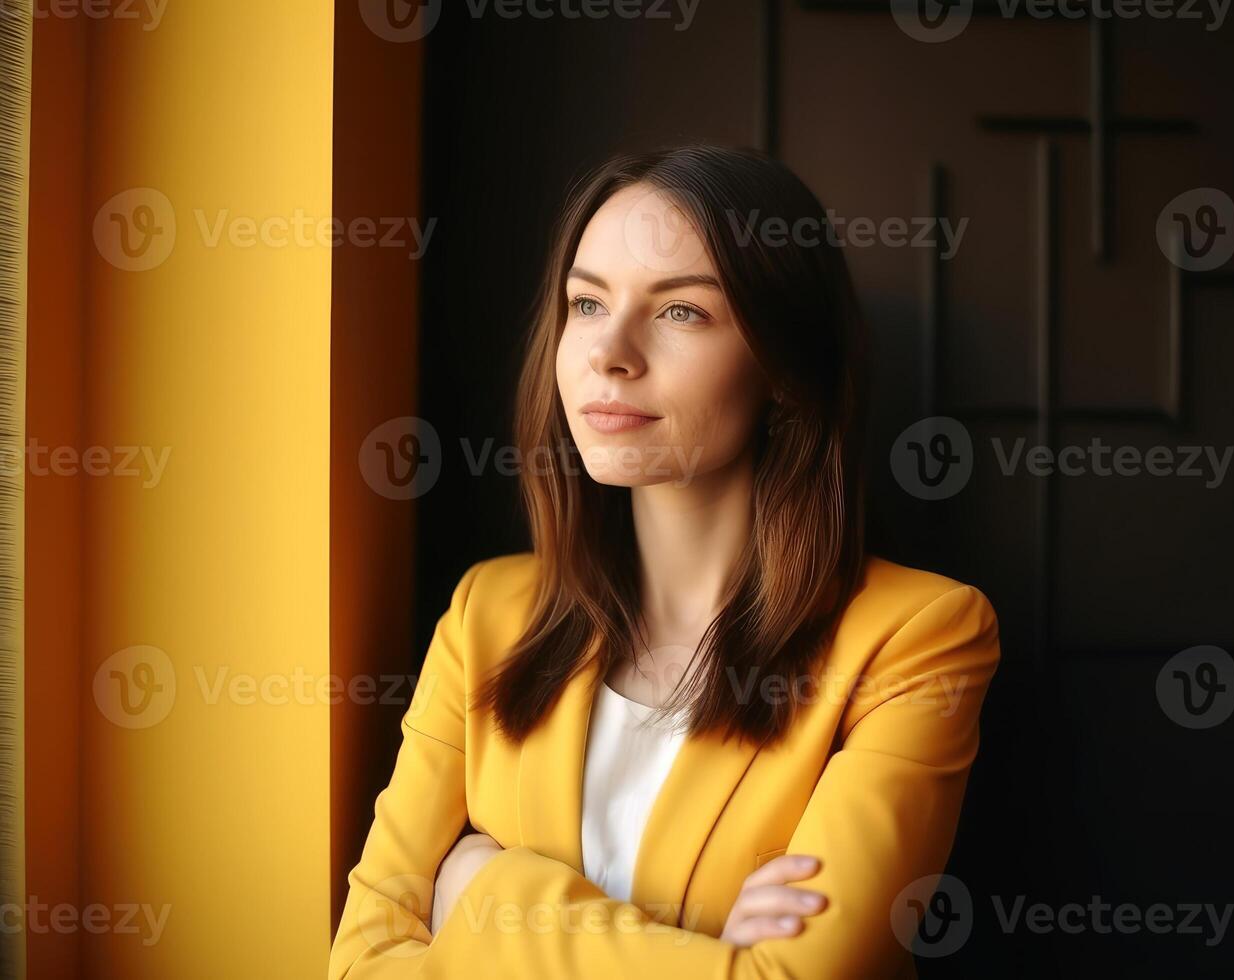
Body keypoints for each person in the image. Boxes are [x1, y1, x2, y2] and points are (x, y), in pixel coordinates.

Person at [327, 144, 1001, 978]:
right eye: (586, 302)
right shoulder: (485, 615)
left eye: (681, 311)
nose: (610, 352)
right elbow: (361, 965)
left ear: (785, 371)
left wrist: (482, 889)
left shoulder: (917, 637)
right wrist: (707, 952)